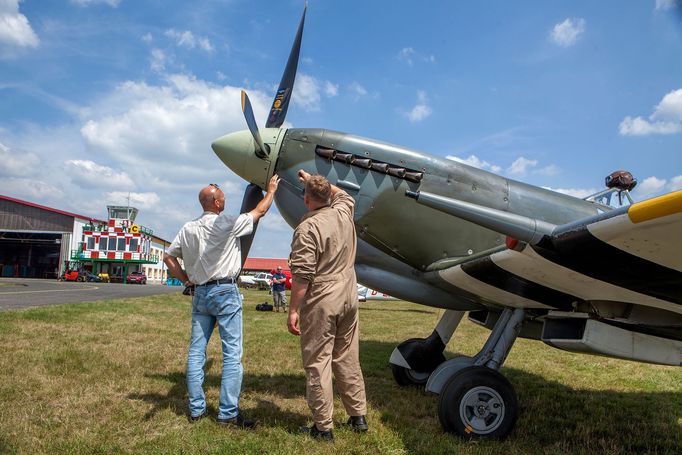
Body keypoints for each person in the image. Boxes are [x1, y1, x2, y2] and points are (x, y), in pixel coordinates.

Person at [163, 175, 280, 428]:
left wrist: (186, 281)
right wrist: (271, 190)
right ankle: (227, 413)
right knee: (231, 354)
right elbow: (259, 211)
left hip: (200, 294)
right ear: (216, 203)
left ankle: (196, 410)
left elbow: (169, 258)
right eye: (224, 197)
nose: (226, 200)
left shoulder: (188, 228)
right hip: (225, 292)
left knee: (196, 352)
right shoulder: (227, 222)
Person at [287, 170, 368, 441]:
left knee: (318, 361)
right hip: (349, 294)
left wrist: (293, 310)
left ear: (306, 199)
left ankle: (323, 427)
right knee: (346, 355)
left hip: (323, 298)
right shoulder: (344, 213)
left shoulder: (308, 228)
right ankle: (358, 416)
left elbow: (301, 275)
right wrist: (314, 180)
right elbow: (341, 194)